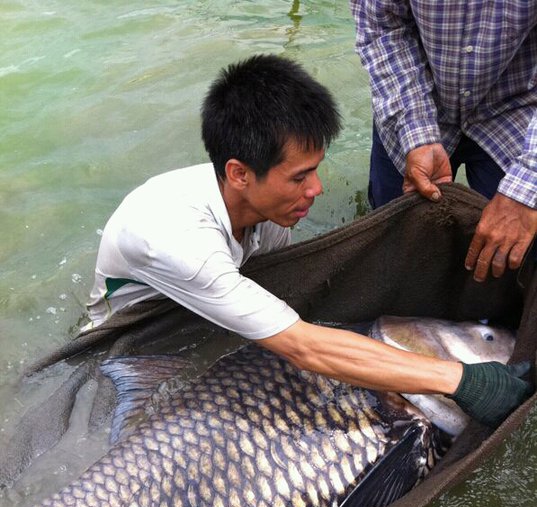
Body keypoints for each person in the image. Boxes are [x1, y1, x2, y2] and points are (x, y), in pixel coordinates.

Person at [83, 54, 531, 428]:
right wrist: (460, 381)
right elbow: (303, 344)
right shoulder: (179, 240)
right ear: (239, 173)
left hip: (214, 297)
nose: (316, 189)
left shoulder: (268, 207)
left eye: (315, 169)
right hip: (143, 337)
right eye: (300, 177)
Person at [350, 0, 537, 282]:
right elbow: (381, 27)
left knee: (517, 255)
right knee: (389, 240)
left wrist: (527, 186)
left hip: (515, 104)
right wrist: (417, 132)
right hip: (416, 100)